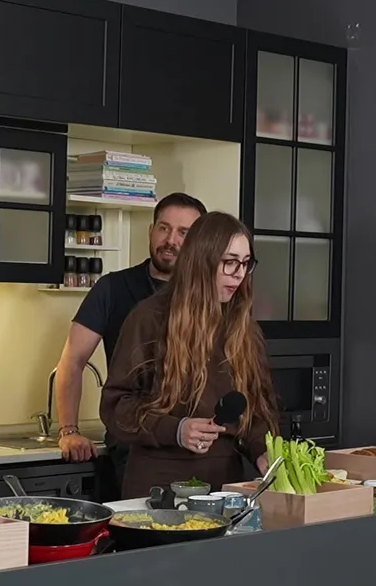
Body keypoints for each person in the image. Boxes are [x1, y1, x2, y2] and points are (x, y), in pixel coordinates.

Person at [99, 211, 279, 498]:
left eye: (245, 263)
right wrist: (176, 430)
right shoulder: (149, 319)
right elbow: (116, 406)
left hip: (224, 488)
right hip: (157, 486)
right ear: (201, 261)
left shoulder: (244, 329)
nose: (239, 273)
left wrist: (262, 452)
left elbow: (256, 410)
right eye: (230, 262)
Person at [53, 192, 207, 500]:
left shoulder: (209, 295)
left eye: (183, 233)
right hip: (135, 443)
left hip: (196, 446)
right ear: (151, 231)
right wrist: (69, 431)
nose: (170, 240)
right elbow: (72, 360)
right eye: (164, 228)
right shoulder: (112, 288)